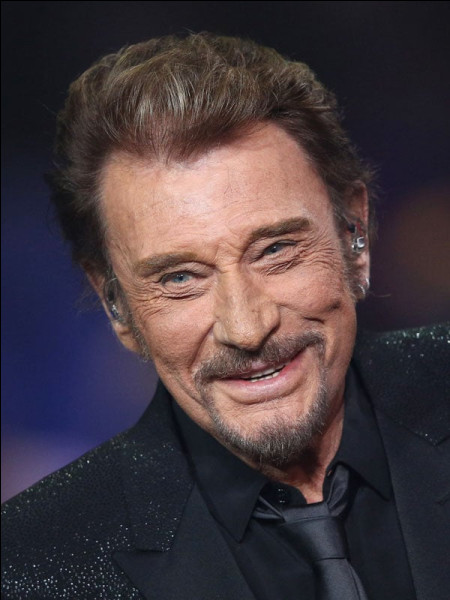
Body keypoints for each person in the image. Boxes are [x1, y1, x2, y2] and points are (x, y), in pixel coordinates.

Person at [1, 32, 449, 600]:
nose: (247, 327)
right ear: (116, 304)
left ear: (353, 236)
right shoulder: (34, 566)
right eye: (180, 278)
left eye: (275, 250)